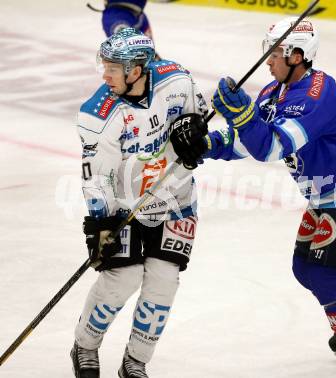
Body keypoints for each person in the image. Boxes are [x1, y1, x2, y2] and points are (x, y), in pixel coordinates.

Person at [170, 17, 336, 378]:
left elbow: (273, 147)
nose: (268, 60)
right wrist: (207, 144)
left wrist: (245, 118)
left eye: (276, 52)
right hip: (328, 192)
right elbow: (248, 141)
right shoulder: (273, 92)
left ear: (298, 55)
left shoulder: (317, 95)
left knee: (323, 274)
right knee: (305, 269)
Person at [71, 27, 207, 378]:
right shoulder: (98, 115)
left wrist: (194, 133)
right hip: (124, 208)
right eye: (105, 66)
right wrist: (100, 225)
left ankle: (136, 361)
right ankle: (85, 345)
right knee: (122, 279)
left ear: (136, 69)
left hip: (176, 200)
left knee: (164, 281)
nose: (105, 75)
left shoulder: (177, 81)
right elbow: (96, 177)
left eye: (113, 68)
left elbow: (200, 116)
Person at [88, 0, 162, 59]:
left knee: (148, 54)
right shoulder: (115, 19)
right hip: (118, 15)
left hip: (138, 14)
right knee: (134, 54)